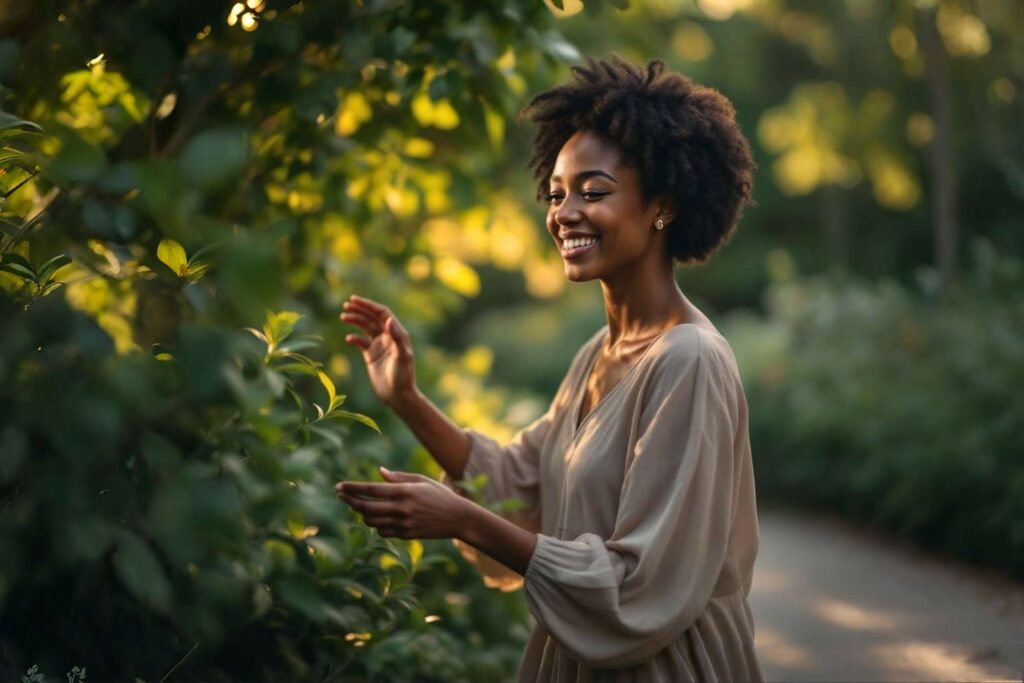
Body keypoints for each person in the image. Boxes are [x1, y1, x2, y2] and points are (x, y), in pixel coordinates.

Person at [336, 55, 763, 682]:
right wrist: (406, 399)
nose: (564, 213)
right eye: (556, 193)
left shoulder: (689, 361)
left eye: (593, 192)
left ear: (662, 207)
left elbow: (638, 586)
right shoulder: (600, 352)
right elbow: (520, 483)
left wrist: (459, 517)